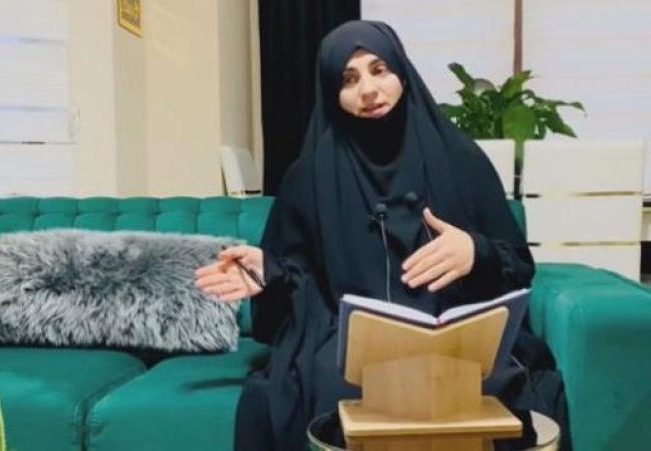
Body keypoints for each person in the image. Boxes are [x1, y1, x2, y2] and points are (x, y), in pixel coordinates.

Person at [196, 20, 564, 451]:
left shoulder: (460, 159)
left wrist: (475, 251)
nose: (368, 90)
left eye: (379, 70)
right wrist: (271, 271)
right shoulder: (311, 175)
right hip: (353, 345)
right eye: (349, 79)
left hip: (458, 338)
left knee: (499, 387)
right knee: (329, 388)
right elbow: (296, 275)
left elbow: (517, 265)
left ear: (402, 74)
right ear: (332, 93)